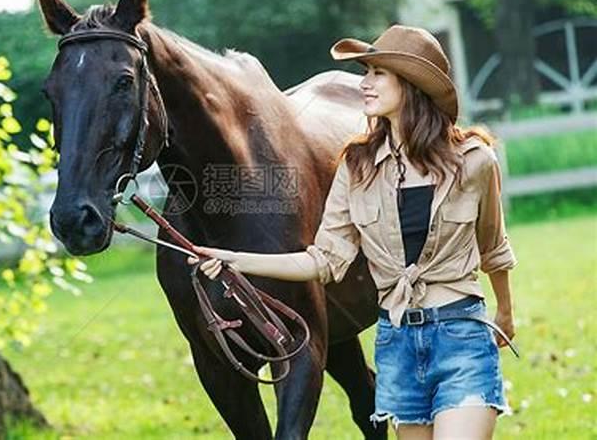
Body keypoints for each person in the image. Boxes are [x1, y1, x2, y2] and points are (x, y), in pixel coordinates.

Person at [187, 25, 518, 440]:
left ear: (412, 83)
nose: (364, 83)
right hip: (397, 344)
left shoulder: (474, 162)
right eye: (366, 73)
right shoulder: (357, 167)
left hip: (461, 337)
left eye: (378, 74)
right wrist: (235, 260)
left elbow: (493, 246)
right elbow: (324, 259)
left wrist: (504, 311)